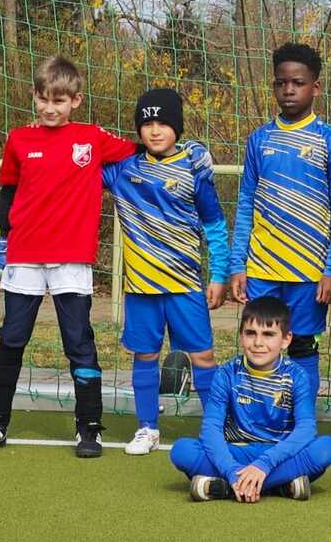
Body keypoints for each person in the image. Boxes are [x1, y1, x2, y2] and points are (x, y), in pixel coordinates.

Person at [0, 57, 139, 458]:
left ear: (76, 100)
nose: (49, 108)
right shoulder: (19, 140)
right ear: (34, 96)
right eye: (43, 99)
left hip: (71, 259)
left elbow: (140, 147)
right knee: (11, 339)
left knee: (79, 342)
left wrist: (175, 143)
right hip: (24, 256)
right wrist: (0, 239)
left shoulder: (92, 138)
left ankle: (89, 427)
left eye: (59, 100)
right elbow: (7, 195)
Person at [102, 87, 228, 455]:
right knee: (145, 355)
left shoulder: (193, 165)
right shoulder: (123, 169)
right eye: (147, 123)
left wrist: (218, 275)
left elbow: (215, 224)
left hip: (186, 284)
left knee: (203, 356)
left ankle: (215, 427)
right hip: (142, 287)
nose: (155, 130)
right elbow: (79, 167)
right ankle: (147, 427)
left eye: (163, 123)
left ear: (177, 126)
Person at [229, 42, 331, 400]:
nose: (289, 90)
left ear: (316, 87)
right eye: (281, 83)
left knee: (302, 347)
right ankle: (258, 417)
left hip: (309, 271)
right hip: (262, 266)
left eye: (298, 82)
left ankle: (302, 420)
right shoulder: (259, 139)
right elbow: (247, 202)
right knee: (260, 346)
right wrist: (238, 264)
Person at [170, 297, 331, 502]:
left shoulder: (297, 376)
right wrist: (231, 470)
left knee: (326, 448)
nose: (258, 343)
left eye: (268, 335)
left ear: (286, 339)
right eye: (251, 333)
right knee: (182, 451)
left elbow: (306, 430)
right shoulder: (226, 374)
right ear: (241, 336)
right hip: (235, 453)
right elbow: (211, 429)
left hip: (278, 455)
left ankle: (223, 487)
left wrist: (264, 465)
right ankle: (281, 485)